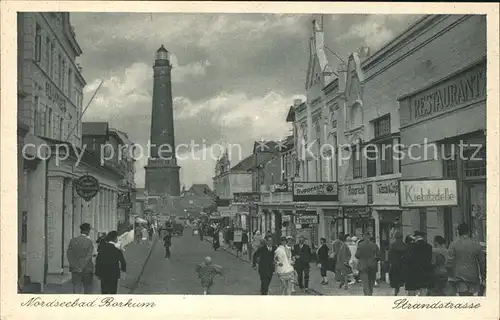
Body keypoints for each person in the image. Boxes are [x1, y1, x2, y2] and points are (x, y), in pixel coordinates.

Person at [446, 223, 486, 296]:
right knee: (472, 298)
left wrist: (450, 276)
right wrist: (484, 277)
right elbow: (482, 262)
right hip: (473, 277)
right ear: (468, 232)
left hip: (459, 277)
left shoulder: (453, 244)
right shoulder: (476, 244)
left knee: (463, 298)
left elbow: (449, 262)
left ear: (458, 232)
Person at [66, 223, 95, 294]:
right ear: (87, 231)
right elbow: (89, 256)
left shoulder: (73, 240)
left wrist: (76, 265)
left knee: (76, 289)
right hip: (87, 269)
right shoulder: (89, 242)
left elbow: (69, 255)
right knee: (88, 290)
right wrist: (82, 266)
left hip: (75, 269)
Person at [404, 230, 433, 296]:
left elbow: (407, 260)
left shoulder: (411, 247)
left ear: (416, 237)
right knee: (423, 293)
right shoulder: (429, 247)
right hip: (424, 273)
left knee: (411, 294)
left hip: (412, 273)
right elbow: (430, 260)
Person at [355, 232, 381, 296]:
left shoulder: (360, 245)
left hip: (363, 266)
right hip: (372, 266)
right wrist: (374, 261)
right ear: (369, 237)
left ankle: (367, 297)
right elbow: (379, 256)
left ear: (363, 237)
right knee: (371, 284)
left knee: (365, 284)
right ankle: (370, 296)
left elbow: (357, 255)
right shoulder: (374, 245)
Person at [387, 231, 407, 296]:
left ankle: (396, 292)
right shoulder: (405, 245)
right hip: (403, 265)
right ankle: (401, 292)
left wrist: (389, 263)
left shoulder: (393, 245)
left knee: (395, 280)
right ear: (402, 237)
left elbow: (390, 255)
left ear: (395, 237)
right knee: (401, 280)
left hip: (395, 265)